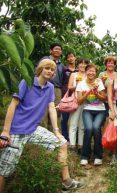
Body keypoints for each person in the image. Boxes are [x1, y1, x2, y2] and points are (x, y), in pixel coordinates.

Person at [0, 59, 83, 192]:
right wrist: (5, 131)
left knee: (62, 143)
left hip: (33, 129)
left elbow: (51, 108)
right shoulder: (26, 82)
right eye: (47, 68)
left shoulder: (50, 87)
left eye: (52, 70)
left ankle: (66, 181)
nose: (50, 71)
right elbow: (13, 105)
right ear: (40, 69)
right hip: (17, 130)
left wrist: (56, 131)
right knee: (5, 169)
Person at [76, 64, 107, 166]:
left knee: (96, 128)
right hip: (87, 110)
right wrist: (89, 91)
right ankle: (85, 156)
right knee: (88, 129)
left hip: (100, 110)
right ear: (86, 72)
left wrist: (97, 93)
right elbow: (79, 101)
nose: (91, 73)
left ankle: (98, 156)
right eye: (89, 71)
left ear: (96, 73)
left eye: (93, 71)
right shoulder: (81, 84)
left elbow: (104, 98)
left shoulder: (99, 83)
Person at [40, 43, 65, 130]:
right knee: (43, 111)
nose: (57, 50)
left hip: (57, 90)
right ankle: (41, 135)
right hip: (44, 87)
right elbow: (38, 72)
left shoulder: (62, 65)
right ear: (51, 50)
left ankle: (53, 135)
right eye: (55, 49)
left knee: (55, 112)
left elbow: (62, 79)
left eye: (59, 49)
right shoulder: (45, 60)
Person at [68, 58, 89, 152]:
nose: (83, 65)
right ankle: (72, 145)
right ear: (77, 65)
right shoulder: (74, 74)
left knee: (82, 125)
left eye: (85, 64)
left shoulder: (89, 75)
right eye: (81, 63)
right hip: (75, 101)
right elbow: (69, 87)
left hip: (86, 102)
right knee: (73, 123)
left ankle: (80, 145)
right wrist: (77, 85)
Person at [61, 52, 78, 141]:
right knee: (64, 118)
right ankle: (64, 137)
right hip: (66, 95)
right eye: (68, 57)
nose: (71, 58)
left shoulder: (79, 71)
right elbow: (61, 81)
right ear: (67, 59)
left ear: (75, 58)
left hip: (77, 97)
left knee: (75, 118)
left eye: (72, 56)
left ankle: (75, 138)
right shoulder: (64, 70)